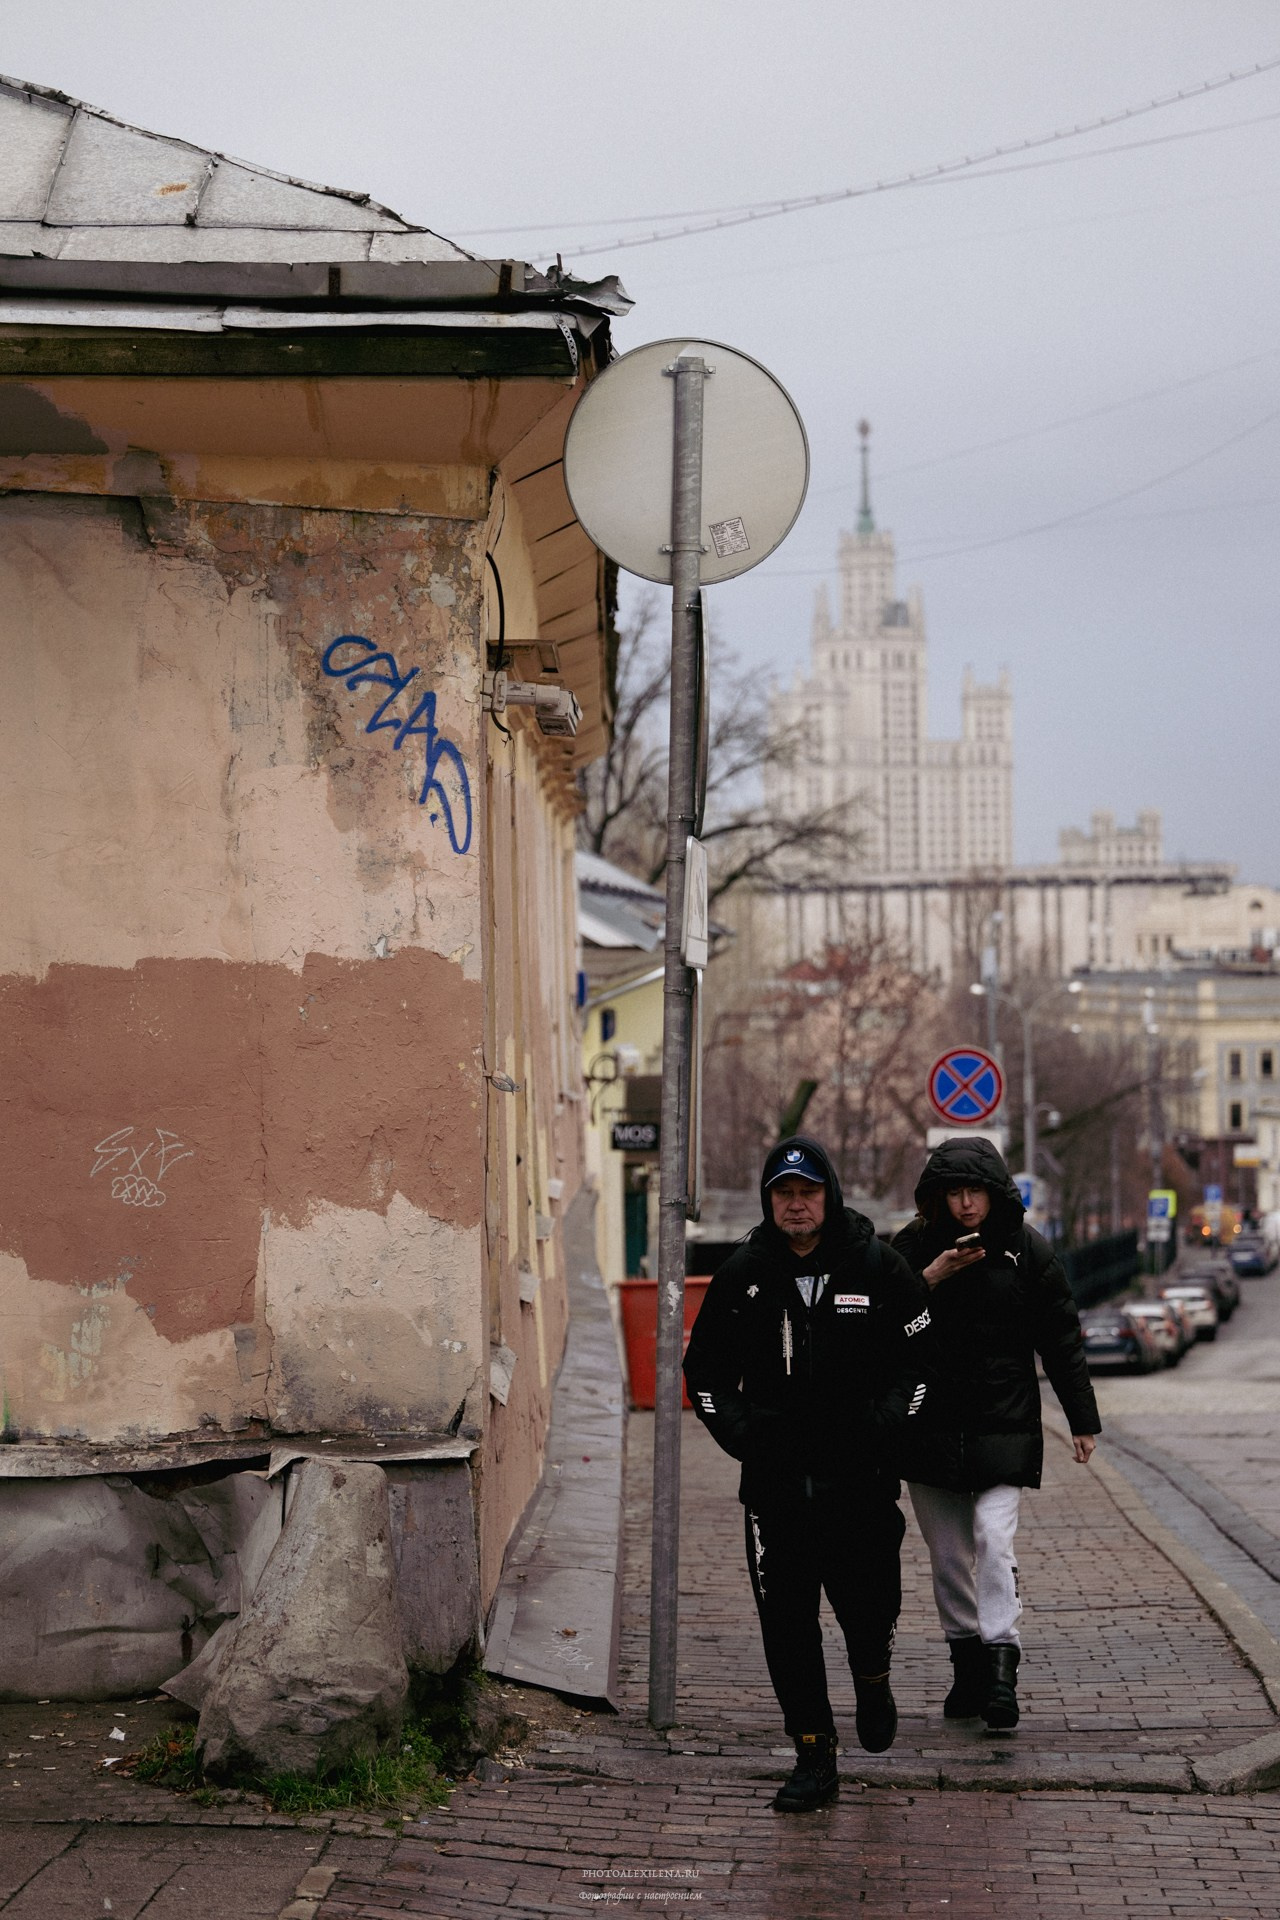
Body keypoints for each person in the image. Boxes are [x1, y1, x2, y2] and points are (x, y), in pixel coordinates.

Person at [683, 1136, 933, 1812]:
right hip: (776, 1488)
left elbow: (923, 1364)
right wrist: (748, 1437)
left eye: (808, 1192)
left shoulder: (877, 1267)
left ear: (830, 1195)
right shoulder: (744, 1274)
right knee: (787, 1624)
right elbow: (703, 1376)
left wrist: (883, 1427)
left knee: (869, 1607)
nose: (796, 1205)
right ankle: (813, 1754)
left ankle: (873, 1677)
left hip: (862, 1482)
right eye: (784, 1194)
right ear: (770, 1201)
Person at [892, 1135, 1100, 1731]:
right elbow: (879, 1324)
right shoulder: (910, 1248)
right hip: (928, 1424)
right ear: (936, 1197)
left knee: (992, 1537)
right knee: (950, 1556)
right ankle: (968, 1670)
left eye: (974, 1190)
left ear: (993, 1192)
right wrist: (929, 1277)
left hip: (1004, 1422)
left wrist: (1081, 1420)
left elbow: (1061, 1337)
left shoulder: (1026, 1251)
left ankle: (1002, 1668)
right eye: (953, 1192)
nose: (964, 1204)